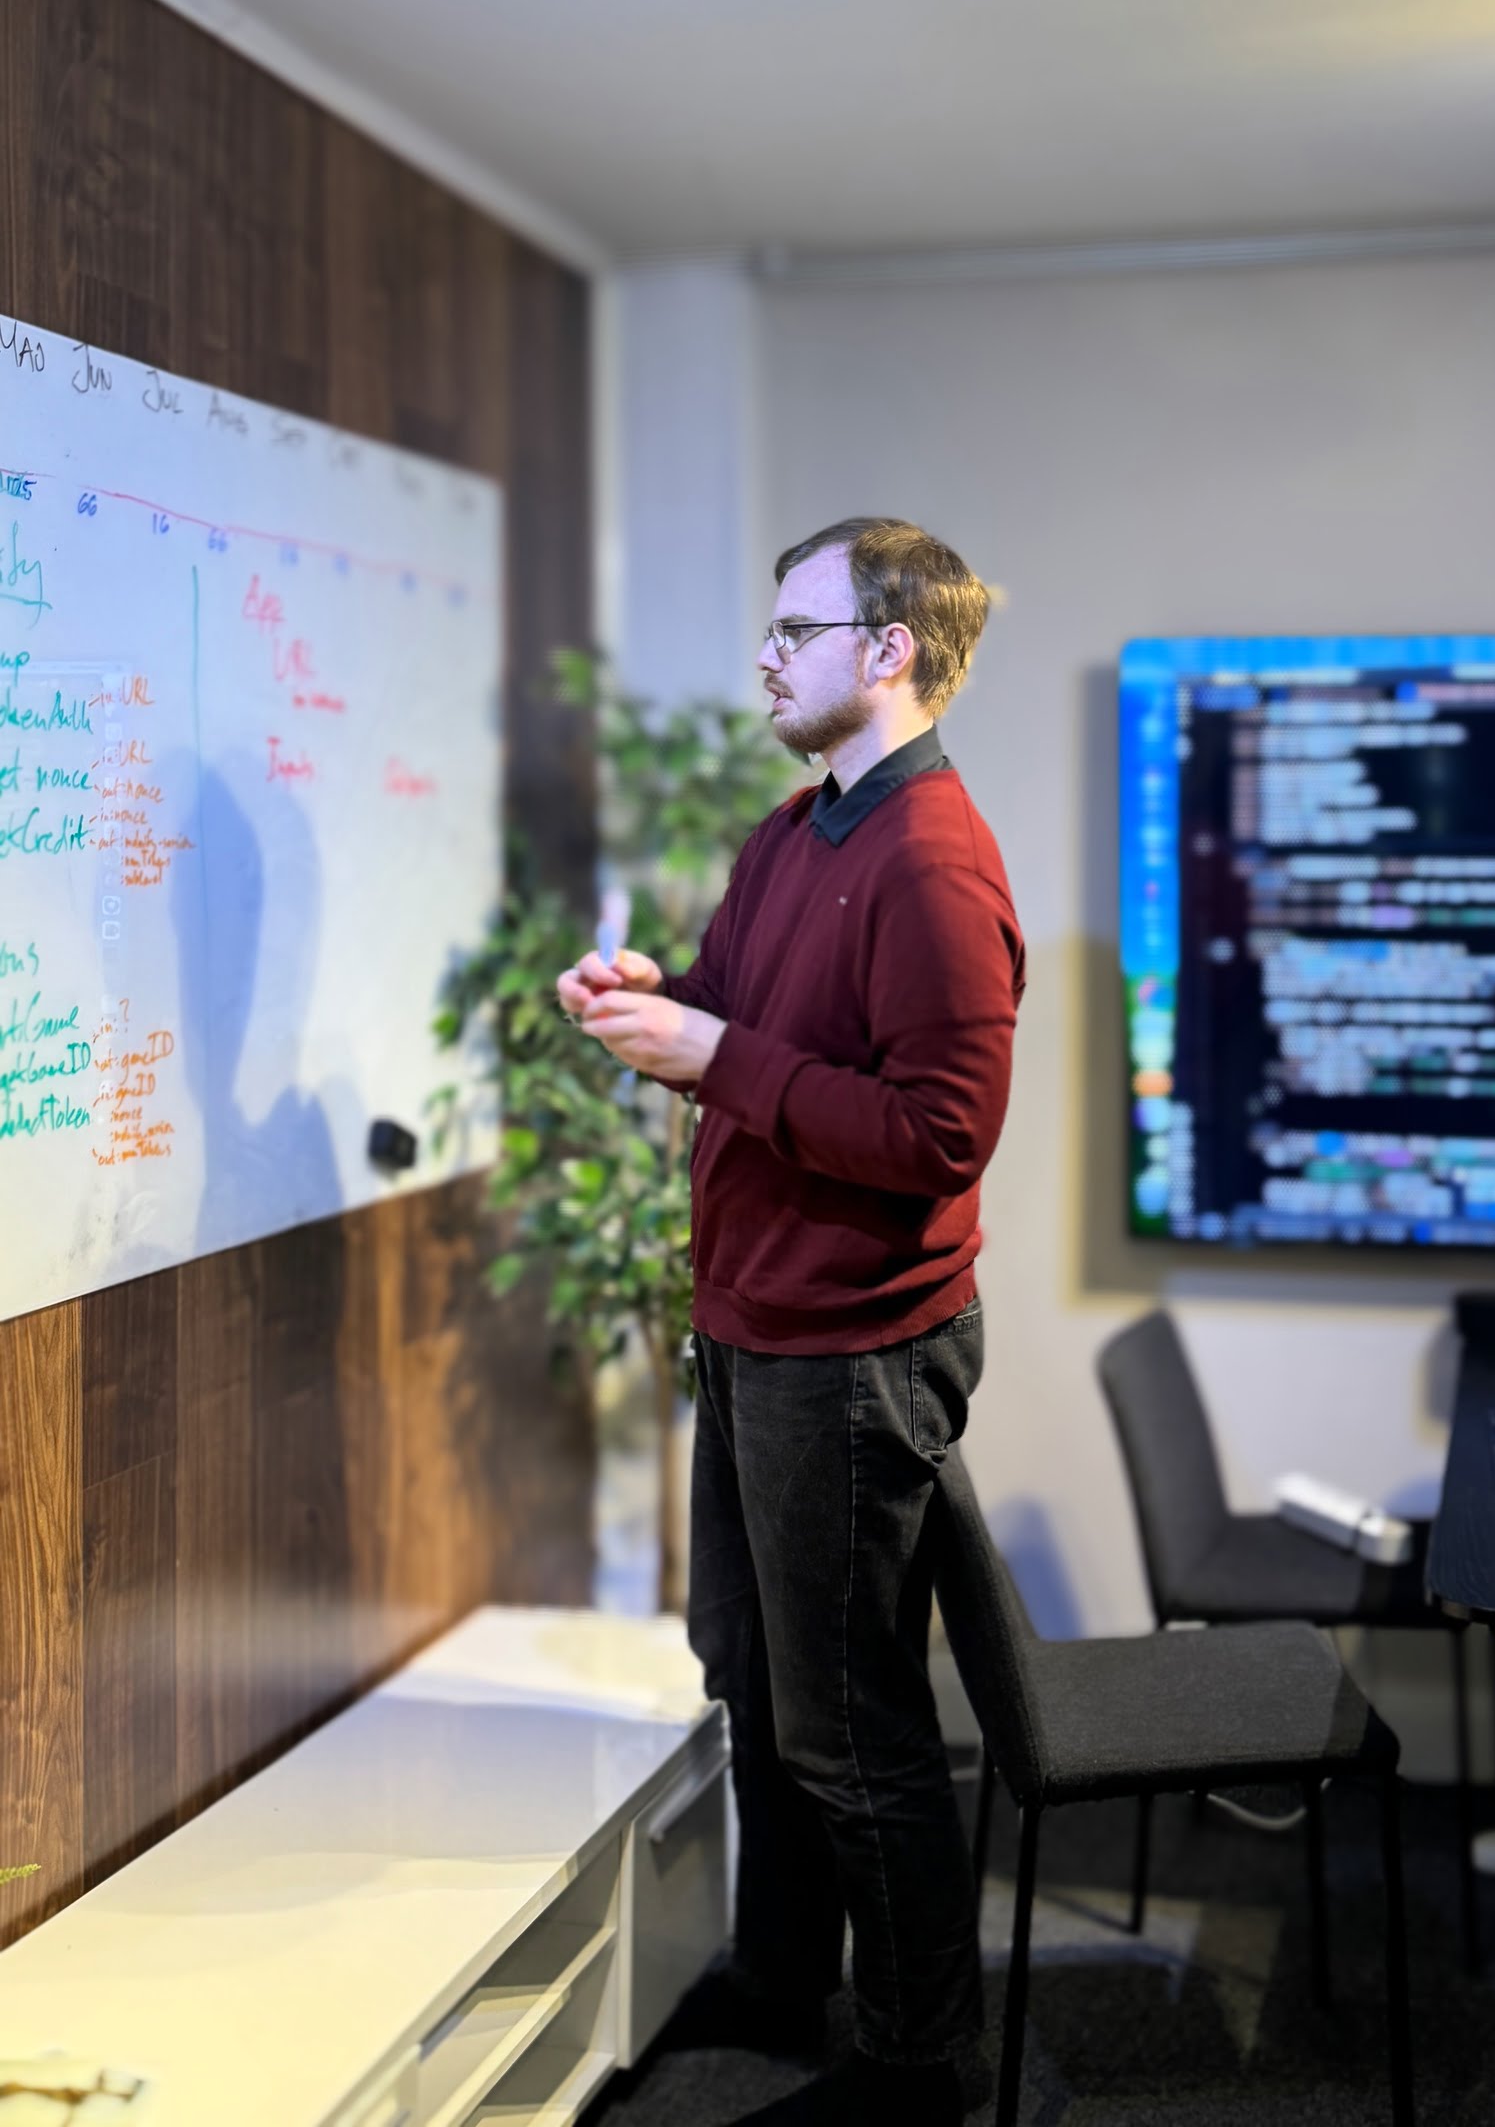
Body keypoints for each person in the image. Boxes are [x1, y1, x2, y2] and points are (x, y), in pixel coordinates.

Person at [556, 517, 1024, 2126]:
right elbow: (740, 1003)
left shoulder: (938, 862)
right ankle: (779, 1977)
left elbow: (937, 1138)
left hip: (852, 1354)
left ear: (888, 651)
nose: (765, 655)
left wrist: (713, 1057)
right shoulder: (796, 832)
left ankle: (916, 2063)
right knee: (756, 1679)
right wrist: (649, 998)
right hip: (754, 1325)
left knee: (853, 1725)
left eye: (793, 628)